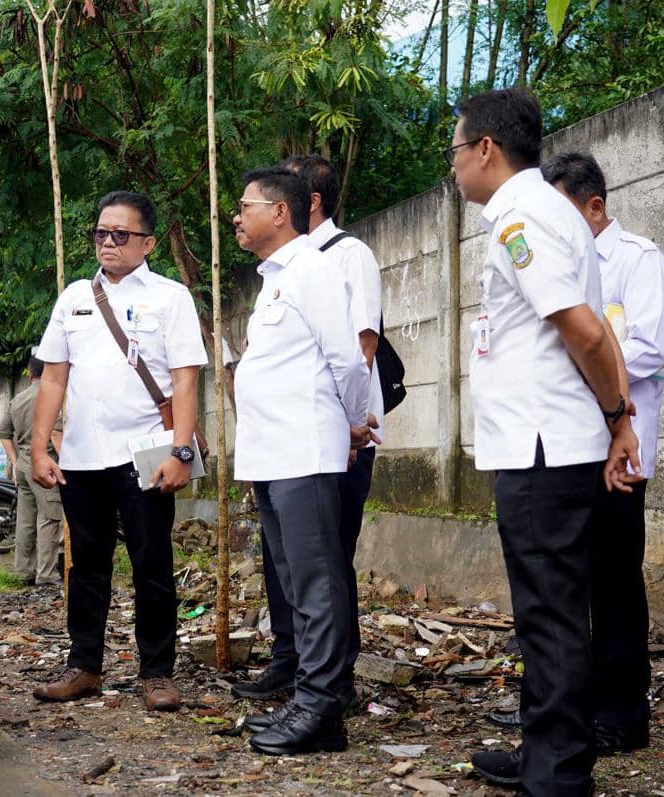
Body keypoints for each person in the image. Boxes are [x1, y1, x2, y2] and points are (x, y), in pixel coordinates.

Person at [448, 89, 641, 796]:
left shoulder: (521, 219)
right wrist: (617, 422)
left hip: (542, 446)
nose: (455, 168)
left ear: (487, 149)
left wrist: (618, 412)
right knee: (551, 605)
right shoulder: (552, 211)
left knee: (550, 608)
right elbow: (595, 325)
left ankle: (557, 772)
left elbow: (586, 332)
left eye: (456, 152)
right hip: (554, 440)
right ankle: (546, 749)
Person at [30, 191, 207, 712]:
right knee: (86, 565)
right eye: (101, 233)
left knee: (152, 562)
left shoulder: (171, 297)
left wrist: (181, 452)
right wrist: (41, 448)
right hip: (83, 457)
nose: (108, 243)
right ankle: (84, 667)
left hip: (145, 453)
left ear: (148, 242)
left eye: (120, 235)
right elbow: (53, 378)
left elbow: (185, 382)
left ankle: (157, 674)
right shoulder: (74, 298)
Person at [541, 151, 664, 754]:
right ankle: (567, 708)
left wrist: (594, 366)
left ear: (594, 207)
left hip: (619, 452)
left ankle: (622, 716)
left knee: (615, 584)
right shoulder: (565, 266)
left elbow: (648, 345)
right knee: (567, 582)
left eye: (563, 210)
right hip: (571, 445)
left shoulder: (637, 260)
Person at [231, 167, 374, 755]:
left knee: (316, 582)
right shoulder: (275, 279)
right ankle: (309, 700)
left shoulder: (313, 269)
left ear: (281, 212)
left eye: (246, 206)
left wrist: (355, 422)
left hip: (305, 451)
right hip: (271, 455)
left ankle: (322, 709)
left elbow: (347, 360)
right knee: (293, 580)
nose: (237, 217)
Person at [0, 354, 64, 586]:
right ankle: (46, 574)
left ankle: (24, 571)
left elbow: (3, 433)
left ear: (30, 373)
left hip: (23, 466)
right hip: (46, 465)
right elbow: (55, 434)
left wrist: (15, 462)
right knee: (49, 519)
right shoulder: (53, 397)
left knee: (26, 520)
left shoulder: (18, 399)